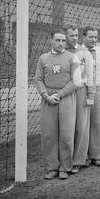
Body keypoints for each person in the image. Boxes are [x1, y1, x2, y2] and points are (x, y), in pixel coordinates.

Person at [34, 30, 81, 180]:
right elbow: (38, 79)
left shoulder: (73, 58)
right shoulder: (43, 59)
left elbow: (76, 81)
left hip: (66, 98)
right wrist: (46, 96)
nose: (61, 43)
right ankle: (52, 167)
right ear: (50, 40)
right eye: (57, 40)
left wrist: (59, 95)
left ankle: (65, 167)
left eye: (62, 40)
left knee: (66, 134)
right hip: (48, 100)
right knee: (49, 134)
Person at [65, 25, 95, 173]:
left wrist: (91, 94)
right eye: (71, 35)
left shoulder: (84, 52)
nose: (74, 38)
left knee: (81, 127)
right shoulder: (61, 51)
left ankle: (79, 160)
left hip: (81, 91)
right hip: (65, 93)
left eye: (76, 35)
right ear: (65, 36)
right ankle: (65, 161)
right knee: (67, 128)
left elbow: (90, 74)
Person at [81, 26, 100, 167]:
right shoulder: (78, 52)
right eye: (90, 37)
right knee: (83, 125)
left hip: (98, 89)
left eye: (95, 37)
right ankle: (83, 157)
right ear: (84, 37)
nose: (93, 39)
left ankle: (96, 155)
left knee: (98, 123)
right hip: (82, 90)